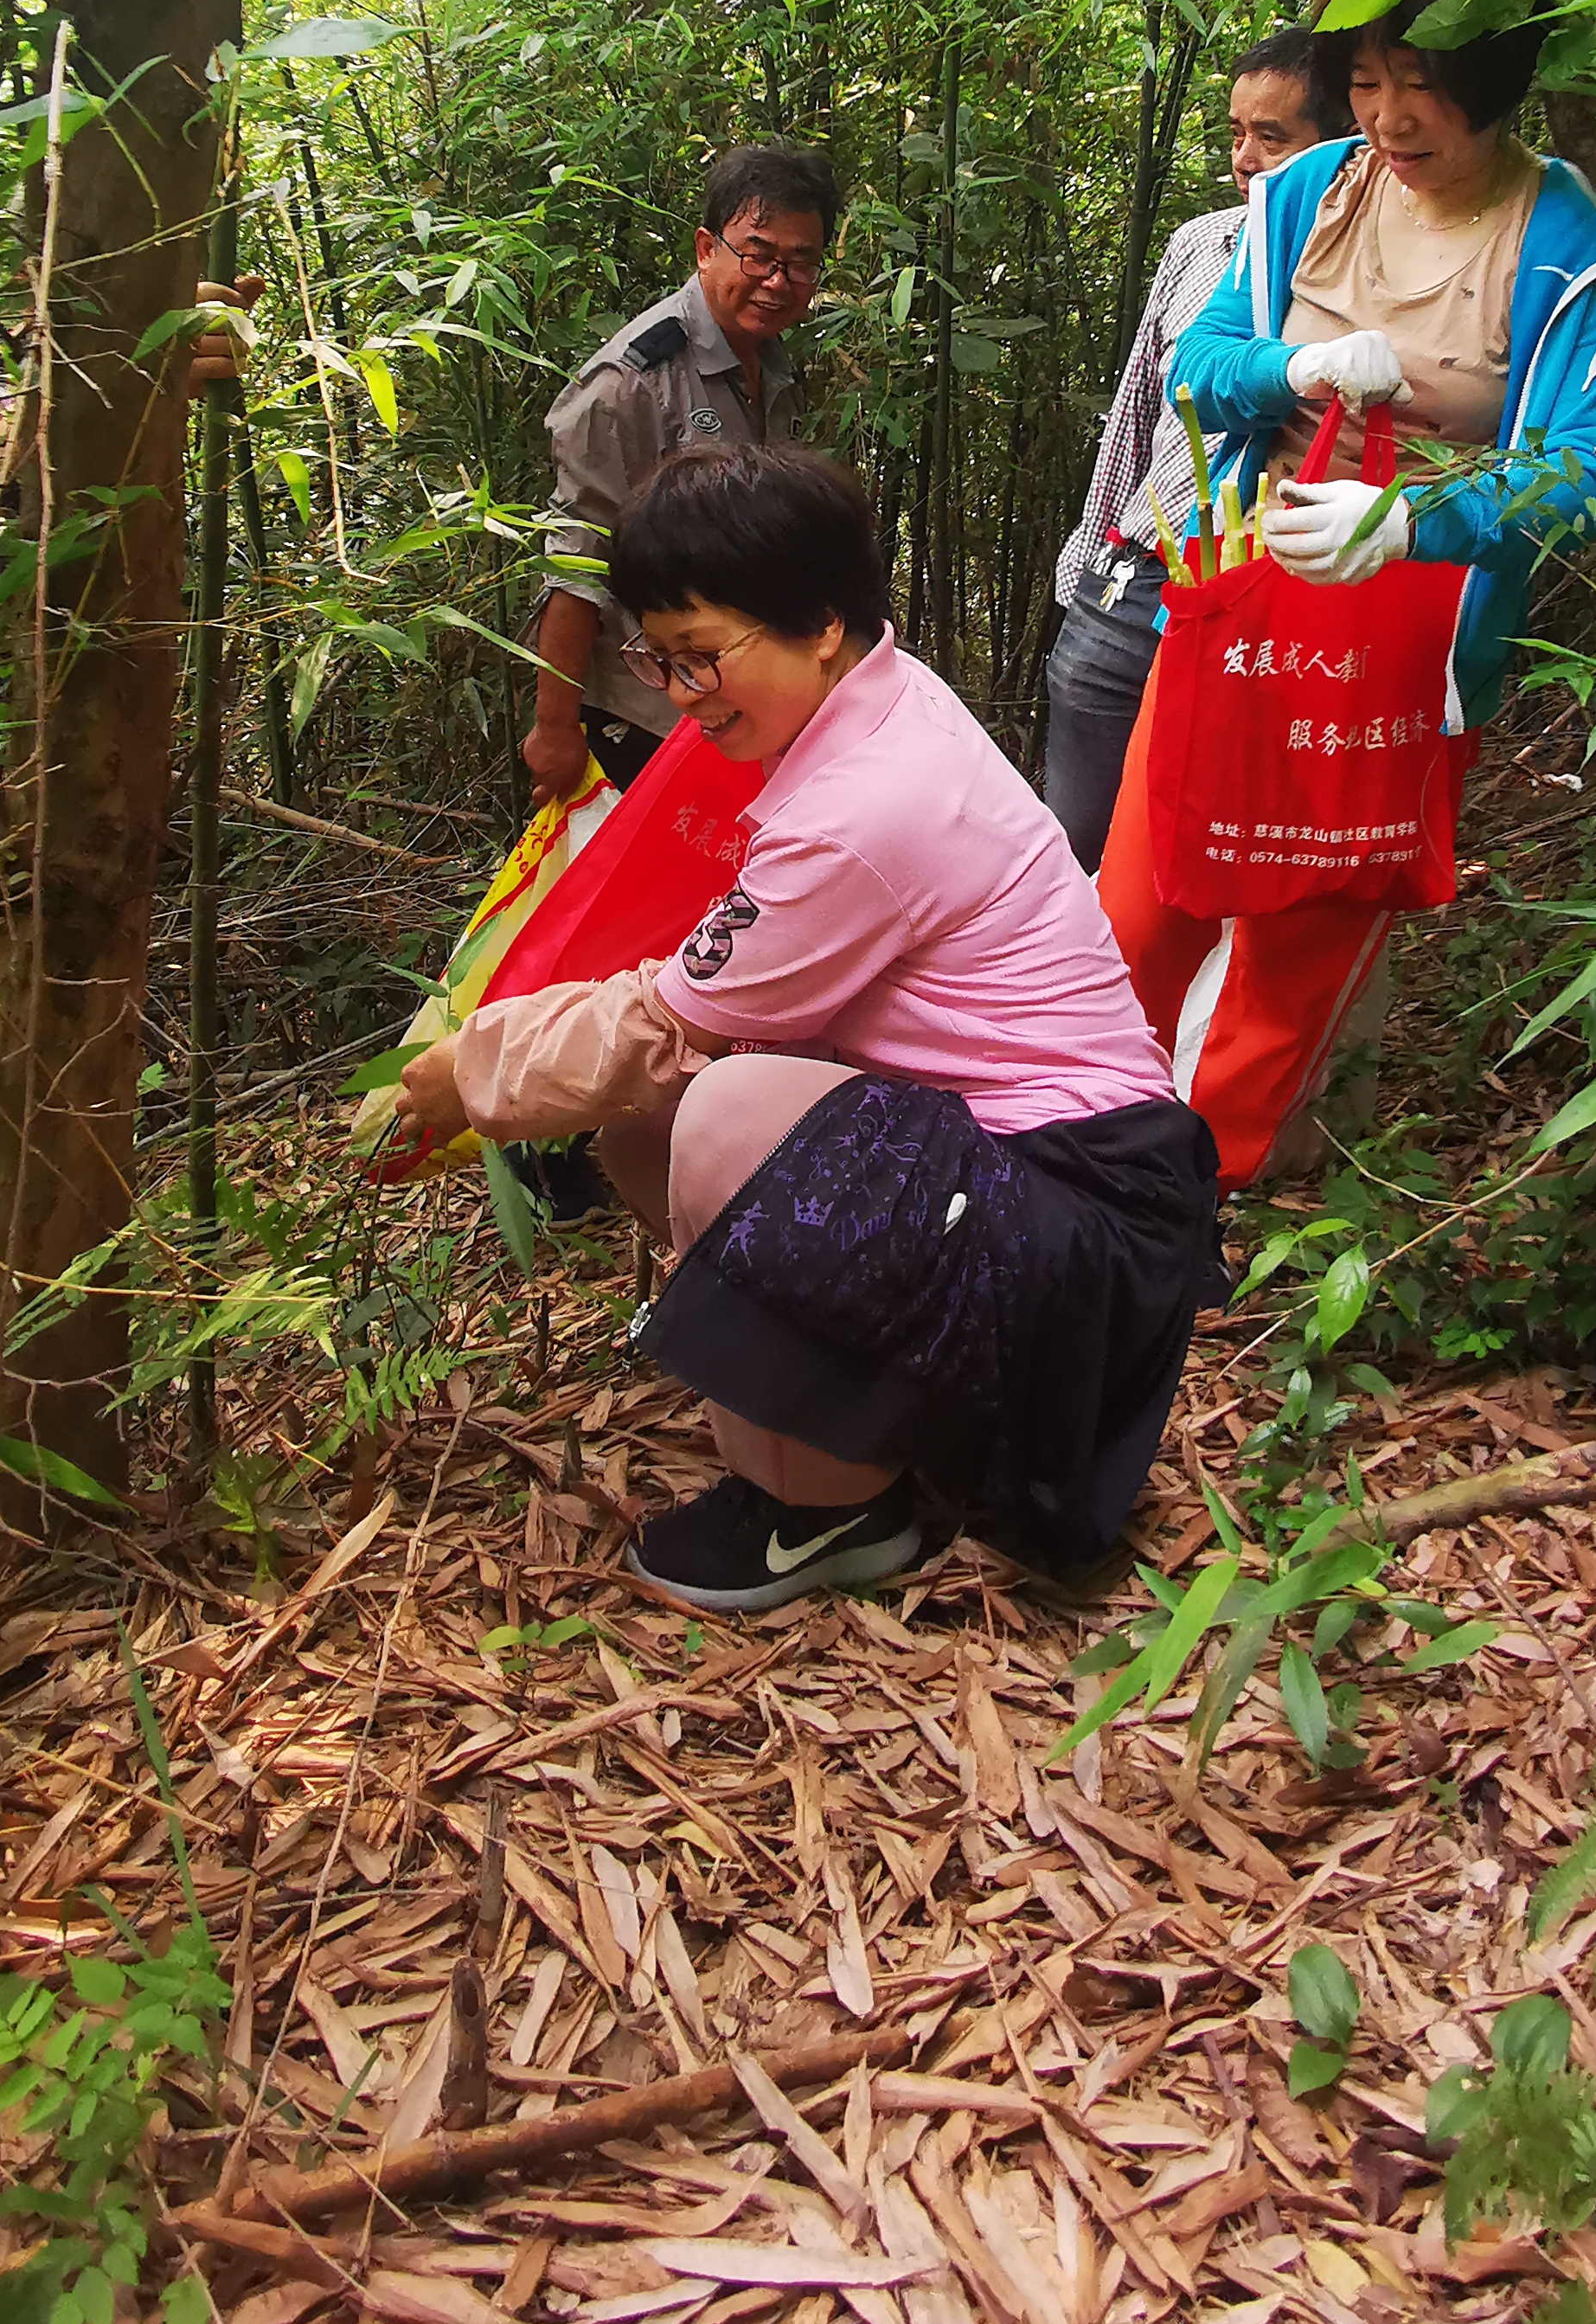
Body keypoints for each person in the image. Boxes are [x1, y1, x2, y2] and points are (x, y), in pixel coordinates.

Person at [392, 446, 1223, 1613]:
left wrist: (464, 1074)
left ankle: (828, 1511)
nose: (686, 697)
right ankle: (849, 1415)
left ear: (823, 624)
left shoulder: (865, 805)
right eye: (662, 662)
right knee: (653, 1130)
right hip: (1028, 1187)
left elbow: (669, 1023)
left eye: (706, 657)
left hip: (1079, 1220)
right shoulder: (869, 703)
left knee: (721, 1110)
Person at [1099, 0, 1596, 1189]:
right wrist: (1294, 362)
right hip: (1239, 599)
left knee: (1306, 934)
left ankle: (1200, 1191)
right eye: (1365, 81)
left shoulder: (1574, 249)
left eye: (1422, 84)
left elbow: (1587, 464)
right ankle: (1081, 1153)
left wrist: (1416, 516)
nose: (1390, 118)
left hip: (1409, 640)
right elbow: (1200, 363)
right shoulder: (1305, 196)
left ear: (1494, 81)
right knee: (1145, 900)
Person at [1044, 29, 1342, 871]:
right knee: (1074, 850)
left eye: (1272, 136)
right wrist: (1085, 566)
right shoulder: (1197, 244)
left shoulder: (1366, 275)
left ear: (1339, 142)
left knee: (1216, 859)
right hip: (1133, 584)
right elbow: (1136, 412)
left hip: (1276, 608)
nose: (1245, 158)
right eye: (1236, 132)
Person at [527, 144, 837, 803]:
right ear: (706, 248)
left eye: (800, 263)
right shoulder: (629, 385)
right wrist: (553, 728)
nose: (777, 281)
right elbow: (576, 566)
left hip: (737, 707)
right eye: (757, 255)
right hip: (643, 715)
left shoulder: (770, 359)